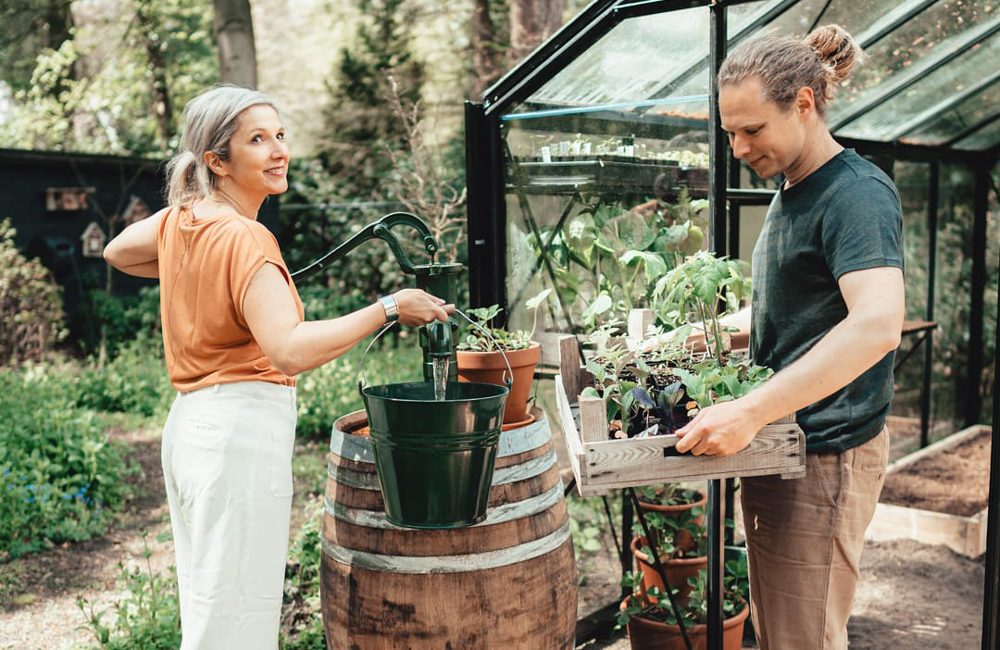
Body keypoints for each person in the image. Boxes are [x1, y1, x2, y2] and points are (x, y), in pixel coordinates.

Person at [103, 85, 453, 650]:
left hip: (191, 431)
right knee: (236, 621)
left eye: (280, 135)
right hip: (237, 438)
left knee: (210, 609)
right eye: (258, 140)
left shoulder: (186, 220)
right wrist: (389, 307)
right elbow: (288, 349)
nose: (278, 151)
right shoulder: (245, 236)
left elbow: (117, 251)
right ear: (217, 161)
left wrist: (193, 254)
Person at [673, 25, 905, 649]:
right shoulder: (794, 188)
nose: (739, 147)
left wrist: (749, 409)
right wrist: (701, 337)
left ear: (804, 104)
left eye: (753, 130)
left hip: (825, 457)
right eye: (729, 132)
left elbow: (878, 324)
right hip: (785, 446)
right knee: (778, 632)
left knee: (804, 638)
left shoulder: (855, 194)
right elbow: (795, 311)